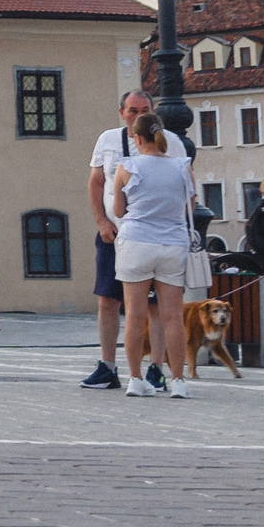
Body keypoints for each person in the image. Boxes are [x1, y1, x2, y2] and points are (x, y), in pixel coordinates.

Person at [82, 90, 190, 390]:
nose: (138, 114)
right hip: (116, 234)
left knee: (151, 310)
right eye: (132, 110)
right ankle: (107, 365)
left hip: (136, 239)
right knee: (108, 299)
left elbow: (183, 189)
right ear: (121, 113)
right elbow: (95, 181)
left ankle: (152, 368)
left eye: (144, 109)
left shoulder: (173, 143)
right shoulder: (107, 140)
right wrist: (102, 221)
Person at [109, 112, 194, 397]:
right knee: (172, 317)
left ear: (137, 137)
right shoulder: (182, 166)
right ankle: (179, 381)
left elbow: (119, 211)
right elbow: (189, 207)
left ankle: (135, 379)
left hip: (136, 243)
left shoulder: (127, 166)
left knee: (135, 315)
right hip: (172, 244)